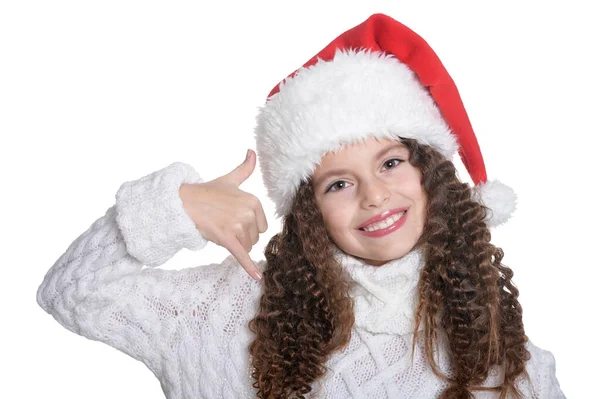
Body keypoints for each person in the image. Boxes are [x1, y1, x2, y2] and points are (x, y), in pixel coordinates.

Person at [36, 13, 565, 399]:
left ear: (433, 176)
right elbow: (72, 292)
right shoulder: (224, 311)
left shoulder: (510, 361)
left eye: (391, 162)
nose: (374, 195)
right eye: (338, 184)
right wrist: (177, 207)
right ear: (309, 210)